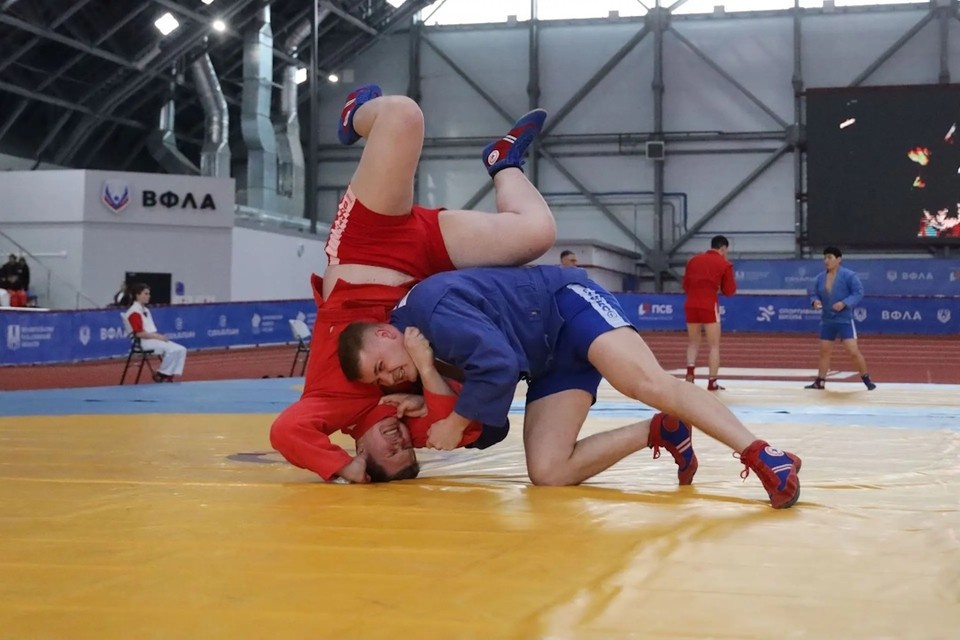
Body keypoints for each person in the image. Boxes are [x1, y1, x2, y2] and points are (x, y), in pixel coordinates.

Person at [268, 83, 558, 483]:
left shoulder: (330, 405)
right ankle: (503, 161)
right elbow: (476, 424)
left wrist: (340, 469)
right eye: (407, 453)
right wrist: (430, 391)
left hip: (368, 249)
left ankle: (356, 113)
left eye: (387, 454)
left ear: (361, 450)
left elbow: (285, 432)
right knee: (537, 234)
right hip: (430, 276)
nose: (399, 444)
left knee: (402, 116)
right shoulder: (420, 426)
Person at [338, 265, 803, 509]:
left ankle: (763, 453)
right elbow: (491, 429)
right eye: (377, 380)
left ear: (385, 332)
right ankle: (660, 432)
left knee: (644, 381)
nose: (388, 378)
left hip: (567, 307)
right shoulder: (415, 346)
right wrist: (427, 389)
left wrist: (455, 417)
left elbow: (497, 370)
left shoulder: (431, 312)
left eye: (382, 366)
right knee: (548, 470)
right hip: (546, 360)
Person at [804, 247, 876, 391]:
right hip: (827, 320)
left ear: (839, 259)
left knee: (853, 351)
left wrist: (844, 303)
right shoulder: (820, 278)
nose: (826, 261)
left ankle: (866, 378)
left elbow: (858, 292)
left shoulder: (849, 275)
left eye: (829, 258)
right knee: (824, 351)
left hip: (844, 320)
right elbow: (814, 294)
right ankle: (820, 381)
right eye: (824, 258)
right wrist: (815, 302)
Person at [682, 235, 736, 391]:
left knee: (693, 342)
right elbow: (729, 290)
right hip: (708, 304)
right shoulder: (724, 263)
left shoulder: (693, 260)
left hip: (691, 303)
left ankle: (690, 375)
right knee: (714, 345)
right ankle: (712, 382)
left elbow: (685, 285)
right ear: (723, 248)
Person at [123, 283, 187, 382]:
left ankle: (168, 374)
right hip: (143, 342)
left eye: (149, 294)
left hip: (152, 339)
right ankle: (162, 374)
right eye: (146, 294)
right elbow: (139, 333)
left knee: (181, 349)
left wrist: (158, 337)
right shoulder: (134, 312)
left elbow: (150, 330)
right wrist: (158, 337)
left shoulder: (146, 310)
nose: (149, 296)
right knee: (173, 350)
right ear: (138, 295)